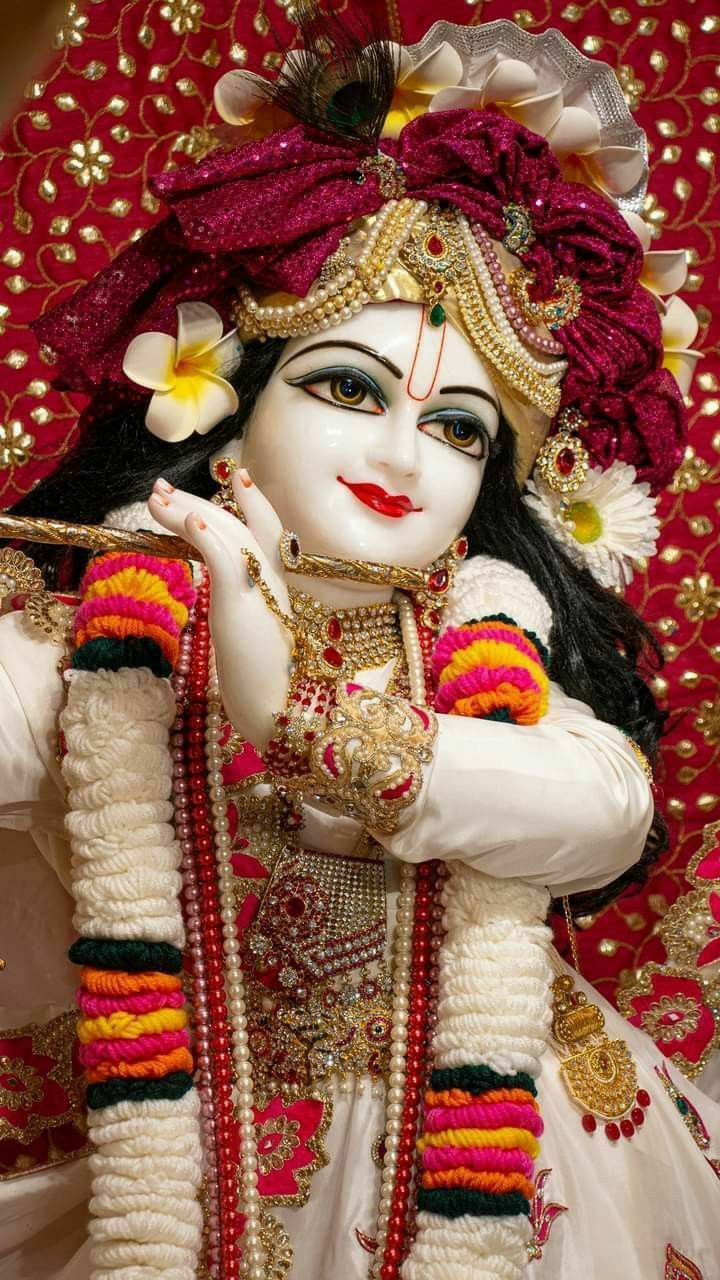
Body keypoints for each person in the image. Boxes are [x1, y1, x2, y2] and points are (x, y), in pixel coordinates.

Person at [1, 14, 717, 1280]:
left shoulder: (490, 637)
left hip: (507, 1159)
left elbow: (604, 810)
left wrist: (294, 706)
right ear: (230, 394)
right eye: (345, 389)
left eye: (457, 427)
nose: (399, 456)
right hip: (177, 1162)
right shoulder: (92, 630)